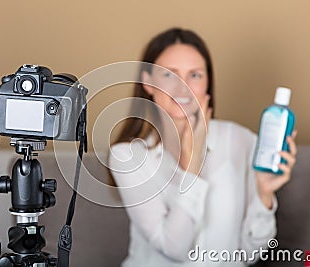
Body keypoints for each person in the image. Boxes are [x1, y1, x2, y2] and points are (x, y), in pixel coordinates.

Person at [108, 27, 297, 266]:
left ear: (208, 83)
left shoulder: (242, 140)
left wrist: (264, 195)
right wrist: (193, 162)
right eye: (169, 74)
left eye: (195, 75)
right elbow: (173, 248)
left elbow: (249, 254)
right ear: (147, 82)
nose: (182, 88)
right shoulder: (127, 156)